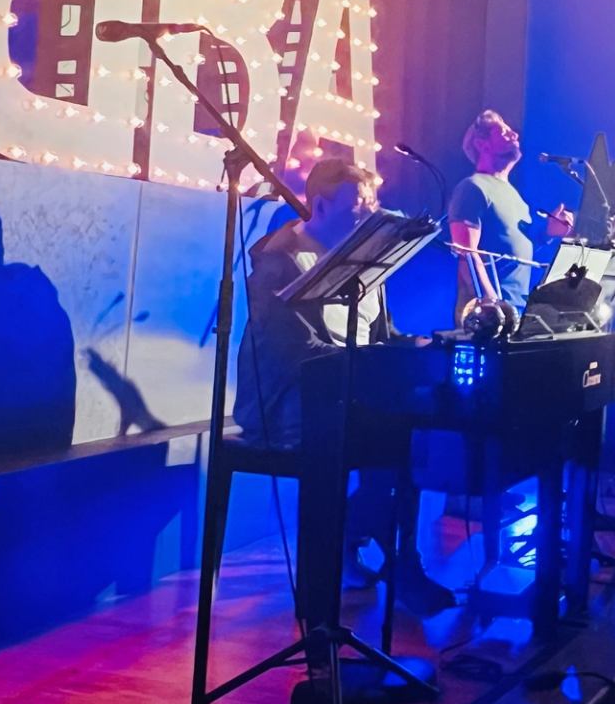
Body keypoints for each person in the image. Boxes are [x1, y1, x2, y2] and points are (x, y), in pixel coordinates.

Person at [234, 157, 455, 616]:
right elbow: (294, 351)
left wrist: (412, 346)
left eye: (371, 202)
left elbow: (379, 333)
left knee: (421, 422)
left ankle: (370, 542)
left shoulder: (365, 258)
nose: (368, 213)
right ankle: (385, 556)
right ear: (319, 204)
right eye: (358, 204)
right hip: (290, 406)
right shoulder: (278, 262)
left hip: (347, 392)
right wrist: (373, 367)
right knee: (399, 433)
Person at [448, 109, 576, 315]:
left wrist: (549, 232)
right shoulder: (472, 187)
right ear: (482, 145)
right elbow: (467, 255)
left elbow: (521, 248)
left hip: (517, 309)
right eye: (504, 132)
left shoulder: (514, 195)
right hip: (489, 318)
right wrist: (493, 306)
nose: (515, 135)